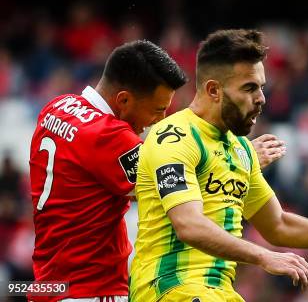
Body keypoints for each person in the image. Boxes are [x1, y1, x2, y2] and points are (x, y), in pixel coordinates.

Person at [129, 29, 308, 302]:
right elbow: (189, 226)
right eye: (249, 88)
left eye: (261, 87)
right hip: (169, 287)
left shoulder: (240, 149)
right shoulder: (174, 137)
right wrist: (264, 256)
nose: (261, 99)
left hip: (218, 292)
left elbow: (278, 225)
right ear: (214, 90)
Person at [29, 40, 285, 302]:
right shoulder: (110, 138)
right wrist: (243, 158)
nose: (159, 121)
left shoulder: (57, 107)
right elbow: (174, 184)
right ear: (124, 99)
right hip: (91, 289)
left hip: (48, 283)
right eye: (158, 110)